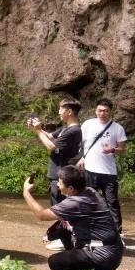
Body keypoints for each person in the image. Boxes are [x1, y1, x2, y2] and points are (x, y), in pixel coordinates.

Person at [21, 165, 123, 270]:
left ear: (71, 188)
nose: (58, 185)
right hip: (113, 249)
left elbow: (41, 215)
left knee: (56, 262)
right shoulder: (89, 191)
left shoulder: (76, 202)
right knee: (61, 229)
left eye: (60, 183)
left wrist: (26, 192)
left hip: (105, 256)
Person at [27, 99, 83, 250]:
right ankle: (61, 236)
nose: (58, 112)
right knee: (57, 205)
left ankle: (65, 238)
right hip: (57, 174)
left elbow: (51, 146)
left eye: (60, 109)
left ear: (69, 111)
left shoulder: (74, 130)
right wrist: (37, 127)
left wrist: (38, 131)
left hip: (63, 175)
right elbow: (51, 136)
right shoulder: (66, 128)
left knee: (60, 208)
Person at [78, 98, 127, 234]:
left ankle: (116, 232)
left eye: (105, 111)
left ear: (110, 112)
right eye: (100, 110)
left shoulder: (118, 128)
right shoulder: (88, 124)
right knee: (89, 200)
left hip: (109, 172)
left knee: (111, 201)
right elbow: (80, 143)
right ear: (95, 110)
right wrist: (81, 157)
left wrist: (112, 149)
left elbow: (122, 150)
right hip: (90, 169)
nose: (102, 113)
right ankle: (90, 229)